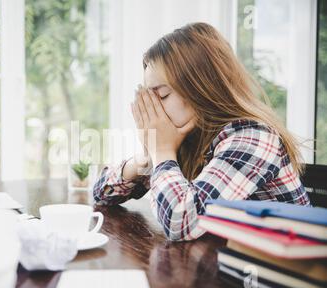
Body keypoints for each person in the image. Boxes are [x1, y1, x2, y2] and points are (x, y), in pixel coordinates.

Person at [92, 22, 310, 241]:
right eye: (149, 98)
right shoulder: (189, 138)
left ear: (200, 88)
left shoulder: (254, 138)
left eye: (163, 95)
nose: (154, 109)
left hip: (282, 270)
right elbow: (102, 194)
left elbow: (181, 222)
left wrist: (162, 151)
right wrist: (145, 158)